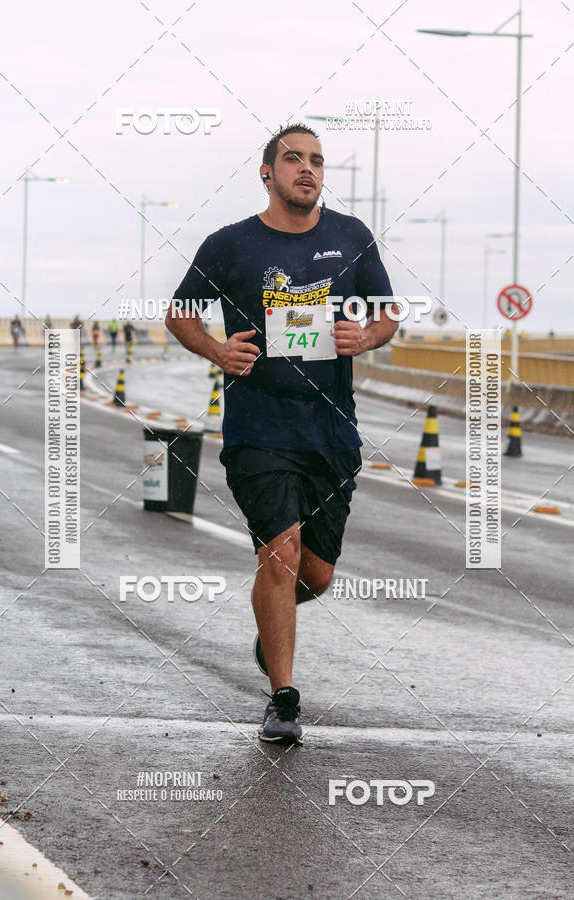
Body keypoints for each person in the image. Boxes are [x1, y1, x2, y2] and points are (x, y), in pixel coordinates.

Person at [165, 123, 398, 744]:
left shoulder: (350, 237)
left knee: (315, 575)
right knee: (281, 553)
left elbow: (387, 312)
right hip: (259, 426)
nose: (308, 169)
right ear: (267, 173)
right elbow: (179, 312)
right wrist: (218, 350)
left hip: (332, 430)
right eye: (294, 159)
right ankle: (283, 700)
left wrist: (364, 337)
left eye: (317, 161)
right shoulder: (230, 245)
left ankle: (271, 630)